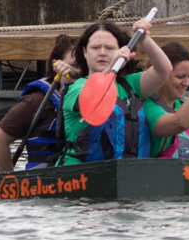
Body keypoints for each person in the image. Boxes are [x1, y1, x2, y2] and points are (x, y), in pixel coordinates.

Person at [58, 17, 171, 164]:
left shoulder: (131, 85)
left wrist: (144, 39)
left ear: (120, 51)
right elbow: (93, 99)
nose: (102, 53)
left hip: (126, 173)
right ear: (85, 52)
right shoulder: (77, 87)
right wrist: (112, 65)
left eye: (110, 48)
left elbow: (164, 70)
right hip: (82, 175)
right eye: (95, 48)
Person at [0, 34, 80, 172]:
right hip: (44, 182)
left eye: (82, 66)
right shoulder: (37, 101)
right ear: (56, 65)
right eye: (73, 65)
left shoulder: (95, 96)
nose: (78, 71)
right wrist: (9, 181)